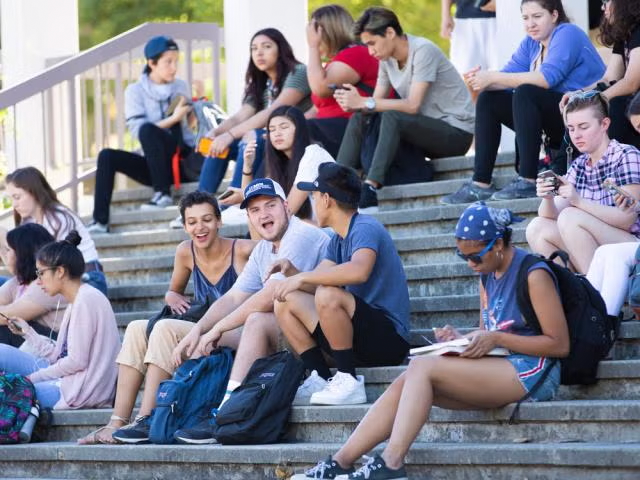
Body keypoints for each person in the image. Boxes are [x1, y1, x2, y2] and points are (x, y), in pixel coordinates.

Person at [291, 202, 569, 480]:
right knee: (409, 378)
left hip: (535, 371)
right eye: (464, 258)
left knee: (422, 368)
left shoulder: (534, 275)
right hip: (503, 364)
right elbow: (490, 330)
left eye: (475, 257)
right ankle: (340, 461)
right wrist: (462, 339)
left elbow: (558, 344)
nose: (471, 264)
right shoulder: (487, 273)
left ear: (497, 244)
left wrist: (494, 337)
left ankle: (392, 464)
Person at [77, 191, 255, 444]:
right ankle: (117, 421)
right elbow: (174, 290)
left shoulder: (242, 249)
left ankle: (149, 418)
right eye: (192, 222)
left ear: (219, 221)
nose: (199, 227)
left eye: (206, 219)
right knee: (138, 328)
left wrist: (247, 199)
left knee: (165, 328)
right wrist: (171, 297)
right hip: (202, 331)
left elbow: (274, 246)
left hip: (239, 334)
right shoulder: (185, 251)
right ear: (184, 226)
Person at [168, 178, 330, 444]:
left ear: (287, 207)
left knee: (255, 320)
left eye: (270, 205)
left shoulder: (300, 235)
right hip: (298, 331)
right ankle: (182, 413)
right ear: (248, 217)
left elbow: (270, 296)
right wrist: (200, 330)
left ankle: (228, 411)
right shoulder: (264, 248)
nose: (263, 214)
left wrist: (217, 329)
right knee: (201, 340)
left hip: (327, 341)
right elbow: (233, 297)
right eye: (254, 210)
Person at [442, 0, 606, 204]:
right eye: (526, 18)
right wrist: (480, 80)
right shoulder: (531, 43)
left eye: (537, 17)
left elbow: (547, 78)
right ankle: (480, 184)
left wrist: (493, 78)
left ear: (554, 15)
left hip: (584, 115)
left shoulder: (567, 33)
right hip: (558, 117)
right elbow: (506, 77)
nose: (531, 24)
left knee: (525, 92)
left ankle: (528, 179)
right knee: (489, 99)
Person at [273, 163, 410, 407]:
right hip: (356, 335)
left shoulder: (366, 227)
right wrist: (293, 273)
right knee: (286, 300)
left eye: (314, 196)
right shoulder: (337, 239)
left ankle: (347, 379)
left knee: (328, 294)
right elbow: (319, 280)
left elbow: (359, 271)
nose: (312, 202)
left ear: (326, 199)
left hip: (388, 341)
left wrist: (302, 278)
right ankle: (321, 376)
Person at [333, 6, 475, 209]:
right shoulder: (386, 60)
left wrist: (365, 102)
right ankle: (337, 181)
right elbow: (373, 105)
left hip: (456, 134)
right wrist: (354, 103)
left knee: (392, 116)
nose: (371, 51)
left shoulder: (423, 50)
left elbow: (412, 105)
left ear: (390, 33)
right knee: (360, 117)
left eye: (372, 43)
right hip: (425, 133)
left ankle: (371, 186)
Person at [86, 35, 197, 233]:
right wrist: (173, 118)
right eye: (168, 62)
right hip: (153, 165)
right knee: (107, 156)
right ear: (151, 63)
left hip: (180, 161)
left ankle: (162, 194)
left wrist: (192, 112)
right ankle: (100, 221)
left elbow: (188, 129)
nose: (174, 67)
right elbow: (139, 131)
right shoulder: (134, 91)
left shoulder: (181, 86)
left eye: (176, 61)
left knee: (150, 129)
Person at [0, 231, 120, 410]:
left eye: (41, 273)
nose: (38, 281)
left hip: (80, 391)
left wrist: (32, 379)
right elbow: (58, 356)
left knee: (7, 393)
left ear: (60, 272)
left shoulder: (86, 301)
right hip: (68, 381)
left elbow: (76, 362)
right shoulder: (78, 299)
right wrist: (28, 333)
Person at [526, 91, 640, 274]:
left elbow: (628, 219)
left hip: (631, 245)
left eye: (583, 127)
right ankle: (574, 289)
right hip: (597, 246)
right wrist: (547, 198)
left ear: (604, 124)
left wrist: (578, 201)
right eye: (571, 128)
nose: (576, 135)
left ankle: (592, 294)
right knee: (537, 228)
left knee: (570, 216)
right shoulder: (579, 165)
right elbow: (548, 216)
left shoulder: (626, 155)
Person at [197, 28, 312, 199]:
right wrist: (217, 133)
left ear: (281, 49)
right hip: (267, 139)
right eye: (254, 48)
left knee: (252, 137)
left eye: (266, 47)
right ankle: (199, 202)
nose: (259, 53)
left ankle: (236, 200)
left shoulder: (298, 72)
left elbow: (272, 112)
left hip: (293, 138)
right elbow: (239, 116)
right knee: (219, 144)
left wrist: (230, 135)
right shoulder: (261, 83)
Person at [5, 167, 107, 295]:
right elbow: (22, 269)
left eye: (17, 197)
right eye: (11, 199)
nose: (14, 205)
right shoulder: (29, 222)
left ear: (34, 192)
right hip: (54, 279)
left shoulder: (58, 218)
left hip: (87, 280)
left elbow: (56, 270)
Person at [560, 0, 640, 149]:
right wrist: (581, 94)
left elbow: (632, 82)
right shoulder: (625, 34)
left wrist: (599, 98)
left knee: (613, 104)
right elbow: (609, 78)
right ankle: (564, 169)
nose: (603, 7)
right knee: (579, 106)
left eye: (606, 1)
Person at [235, 105, 335, 221]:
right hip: (308, 226)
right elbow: (252, 201)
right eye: (272, 129)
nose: (277, 133)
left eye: (284, 127)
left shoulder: (313, 154)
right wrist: (247, 166)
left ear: (299, 130)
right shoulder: (281, 163)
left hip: (333, 232)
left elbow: (287, 213)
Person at [304, 4, 379, 158]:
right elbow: (317, 109)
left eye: (316, 34)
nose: (314, 39)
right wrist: (285, 124)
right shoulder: (336, 62)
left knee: (302, 132)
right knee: (272, 138)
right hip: (330, 130)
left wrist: (313, 47)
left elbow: (320, 88)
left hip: (354, 131)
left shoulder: (356, 54)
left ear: (329, 33)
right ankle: (255, 183)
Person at [0, 224, 66, 346]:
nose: (4, 255)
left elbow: (8, 315)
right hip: (38, 344)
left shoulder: (48, 282)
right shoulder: (18, 282)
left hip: (58, 348)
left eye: (8, 250)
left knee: (7, 327)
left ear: (22, 254)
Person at [440, 0, 499, 79]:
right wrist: (446, 14)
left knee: (502, 73)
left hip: (502, 20)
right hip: (465, 21)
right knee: (465, 76)